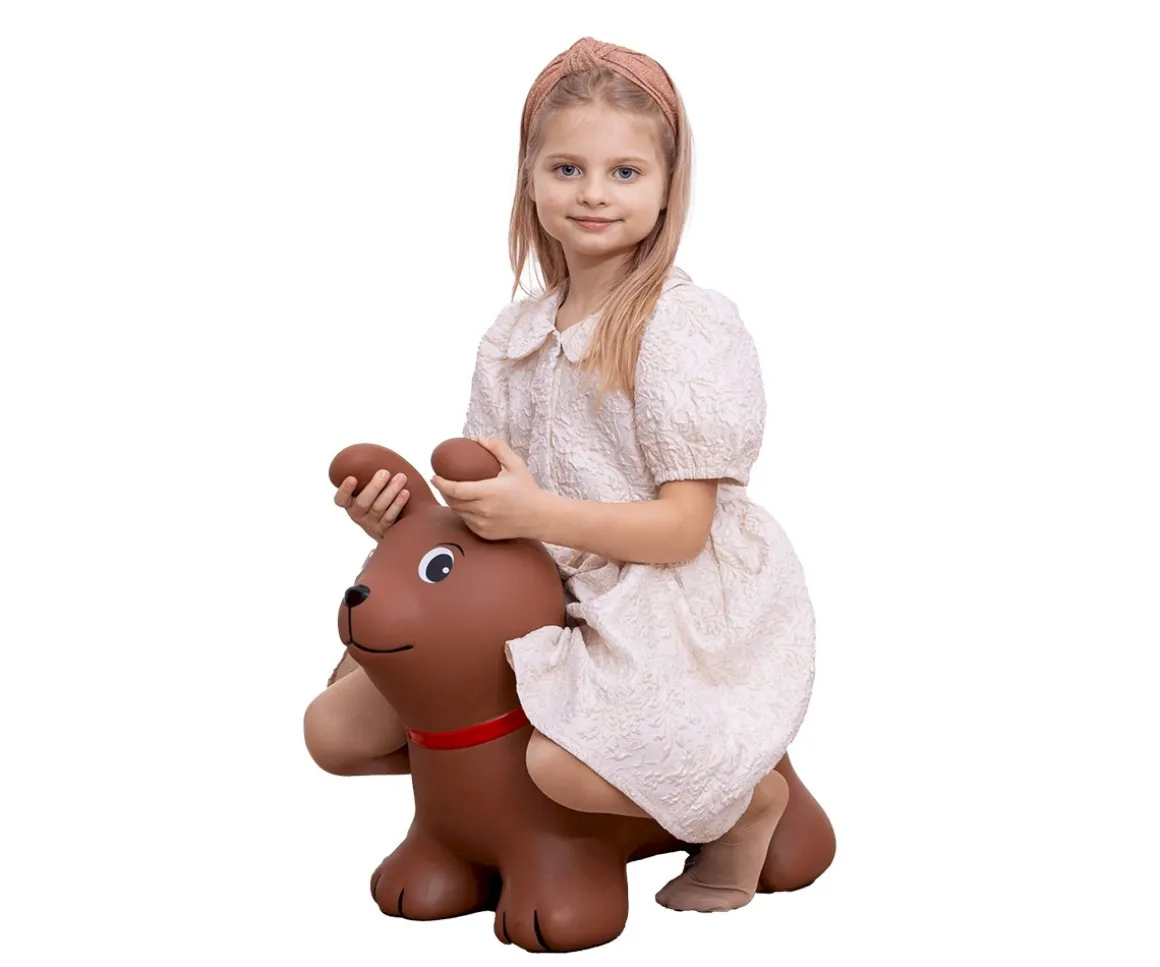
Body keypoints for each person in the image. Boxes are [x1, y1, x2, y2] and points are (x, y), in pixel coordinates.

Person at [305, 36, 816, 914]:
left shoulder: (683, 326)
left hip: (655, 596)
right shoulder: (514, 335)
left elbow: (683, 529)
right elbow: (486, 500)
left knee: (563, 761)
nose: (593, 193)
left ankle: (745, 803)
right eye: (568, 168)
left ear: (668, 187)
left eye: (625, 172)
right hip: (530, 579)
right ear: (531, 180)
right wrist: (405, 523)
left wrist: (536, 513)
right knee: (337, 728)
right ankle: (478, 820)